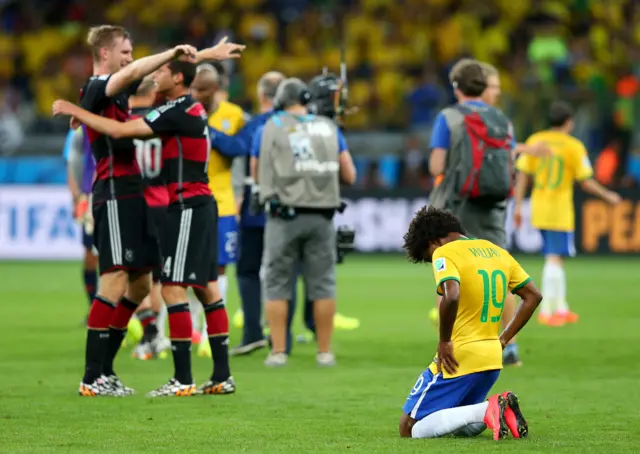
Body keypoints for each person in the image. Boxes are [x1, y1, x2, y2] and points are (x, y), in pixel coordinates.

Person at [60, 24, 243, 396]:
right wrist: (77, 109)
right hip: (112, 192)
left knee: (143, 281)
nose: (131, 59)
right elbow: (140, 75)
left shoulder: (144, 94)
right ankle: (92, 377)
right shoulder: (99, 86)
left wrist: (203, 55)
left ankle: (108, 370)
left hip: (137, 194)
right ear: (105, 54)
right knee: (115, 278)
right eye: (125, 51)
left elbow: (161, 76)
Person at [398, 205, 542, 440]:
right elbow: (533, 296)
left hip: (459, 356)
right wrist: (504, 339)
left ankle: (489, 408)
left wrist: (444, 341)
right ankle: (498, 413)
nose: (431, 259)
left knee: (408, 428)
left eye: (427, 255)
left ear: (434, 242)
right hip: (492, 359)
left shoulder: (444, 253)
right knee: (458, 425)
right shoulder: (496, 251)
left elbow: (451, 294)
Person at [252, 78, 356, 367]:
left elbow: (257, 170)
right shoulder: (329, 127)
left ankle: (278, 352)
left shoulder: (270, 126)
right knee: (323, 285)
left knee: (277, 284)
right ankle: (324, 352)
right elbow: (349, 174)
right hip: (322, 216)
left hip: (283, 215)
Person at [427, 60, 515, 368]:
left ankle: (450, 343)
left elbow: (436, 166)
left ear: (456, 87)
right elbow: (510, 164)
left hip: (456, 206)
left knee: (451, 275)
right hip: (493, 205)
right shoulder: (502, 119)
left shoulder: (448, 117)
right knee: (500, 276)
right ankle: (509, 344)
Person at [513, 101, 621, 326]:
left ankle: (561, 307)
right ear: (569, 122)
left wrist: (517, 205)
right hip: (559, 208)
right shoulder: (573, 146)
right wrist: (608, 196)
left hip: (539, 205)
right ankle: (546, 310)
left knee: (557, 256)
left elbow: (522, 174)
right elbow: (586, 181)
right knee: (554, 257)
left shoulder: (535, 140)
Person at [203, 70, 285, 355]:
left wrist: (205, 127)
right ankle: (282, 337)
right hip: (295, 206)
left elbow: (234, 146)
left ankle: (253, 332)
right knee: (284, 271)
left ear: (262, 95)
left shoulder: (259, 124)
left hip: (258, 206)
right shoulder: (307, 125)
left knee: (248, 270)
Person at [478, 61, 552, 367]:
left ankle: (505, 345)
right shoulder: (488, 121)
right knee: (491, 274)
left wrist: (521, 149)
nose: (497, 92)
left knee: (495, 276)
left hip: (485, 204)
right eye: (494, 86)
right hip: (480, 204)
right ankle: (492, 346)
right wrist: (523, 149)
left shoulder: (470, 120)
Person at [190, 63, 245, 358]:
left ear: (215, 90)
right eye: (194, 89)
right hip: (187, 198)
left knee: (220, 265)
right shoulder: (182, 110)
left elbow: (239, 149)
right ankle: (192, 326)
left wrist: (208, 131)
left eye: (203, 90)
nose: (197, 94)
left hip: (222, 201)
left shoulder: (233, 115)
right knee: (187, 268)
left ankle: (212, 332)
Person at [128, 78, 171, 360]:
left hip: (135, 204)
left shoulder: (124, 123)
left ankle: (150, 335)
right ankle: (154, 335)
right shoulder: (164, 122)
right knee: (156, 278)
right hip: (164, 203)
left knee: (134, 275)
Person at [63, 125, 97, 324]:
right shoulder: (80, 130)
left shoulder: (120, 120)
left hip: (116, 195)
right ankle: (94, 306)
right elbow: (72, 161)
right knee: (90, 256)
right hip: (90, 197)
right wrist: (76, 196)